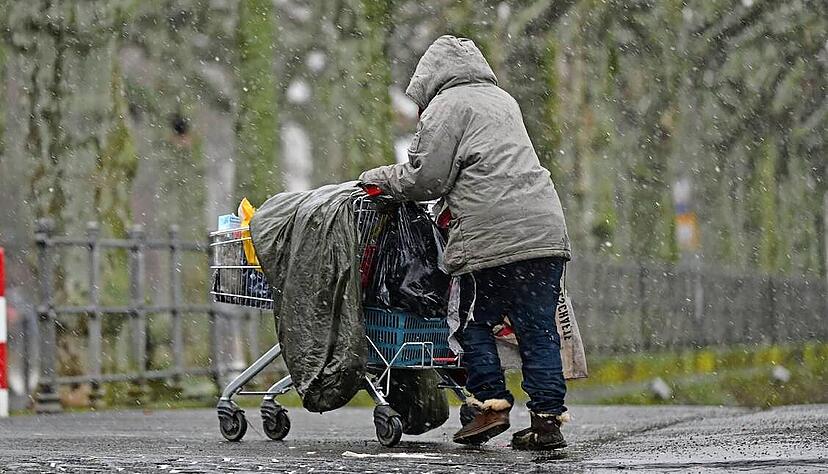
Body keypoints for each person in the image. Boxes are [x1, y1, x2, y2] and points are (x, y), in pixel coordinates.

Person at [359, 35, 571, 450]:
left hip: (490, 235)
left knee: (471, 323)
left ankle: (490, 405)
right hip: (545, 230)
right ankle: (547, 422)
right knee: (538, 331)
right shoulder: (503, 100)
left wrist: (377, 178)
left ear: (429, 78)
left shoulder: (446, 106)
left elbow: (428, 178)